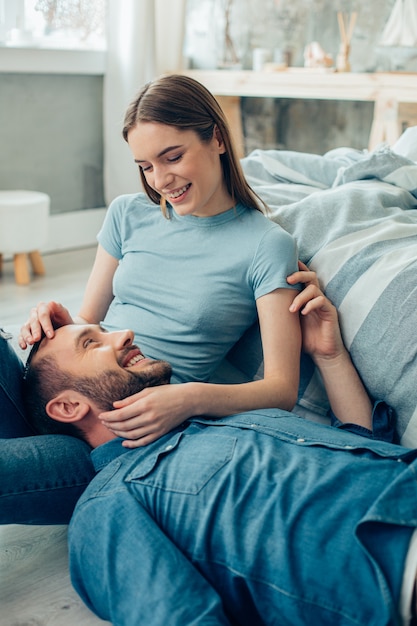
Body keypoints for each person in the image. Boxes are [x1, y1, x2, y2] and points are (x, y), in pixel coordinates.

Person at [1, 74, 302, 524]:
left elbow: (282, 390)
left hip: (129, 434)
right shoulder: (129, 214)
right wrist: (65, 325)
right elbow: (93, 319)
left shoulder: (265, 245)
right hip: (70, 390)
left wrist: (187, 399)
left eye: (173, 156)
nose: (160, 179)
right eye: (145, 165)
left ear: (217, 138)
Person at [20, 282, 409, 626]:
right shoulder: (108, 505)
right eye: (91, 343)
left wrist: (329, 355)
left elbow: (363, 447)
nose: (124, 334)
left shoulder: (230, 414)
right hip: (393, 566)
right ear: (69, 408)